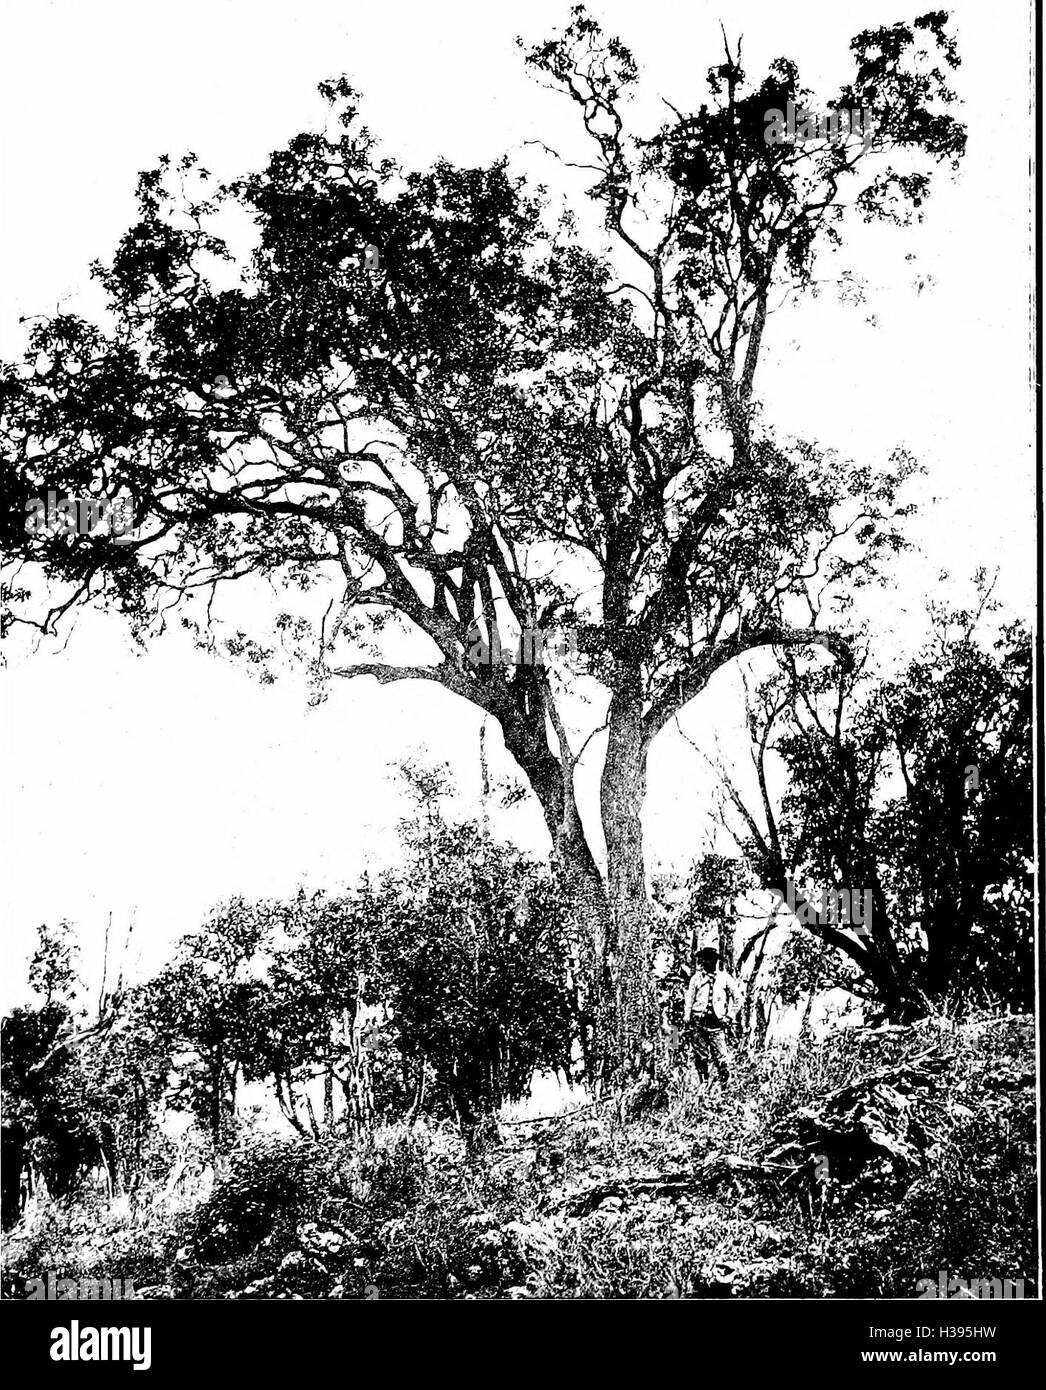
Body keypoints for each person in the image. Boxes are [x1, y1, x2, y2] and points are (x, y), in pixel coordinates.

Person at [683, 946, 743, 1085]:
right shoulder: (696, 978)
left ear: (716, 961)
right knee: (701, 1056)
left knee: (722, 1057)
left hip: (717, 1023)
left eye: (711, 960)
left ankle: (724, 1088)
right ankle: (703, 1086)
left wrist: (730, 1016)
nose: (708, 963)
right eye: (706, 960)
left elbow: (738, 998)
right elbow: (689, 999)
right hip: (699, 1022)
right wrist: (687, 1016)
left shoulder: (724, 978)